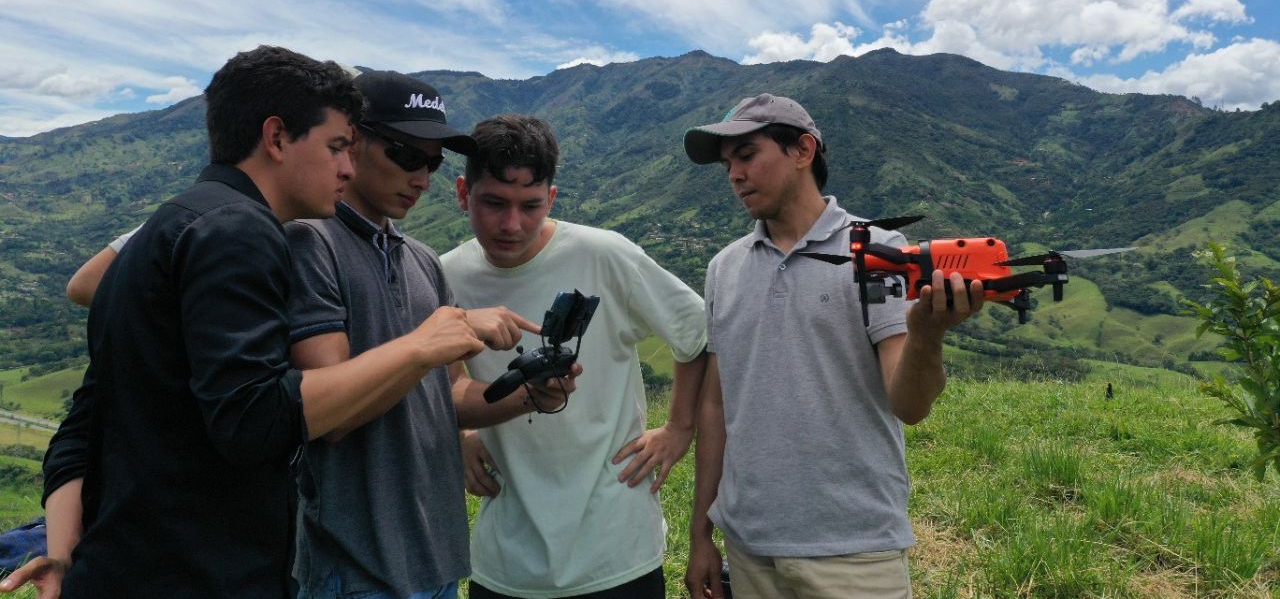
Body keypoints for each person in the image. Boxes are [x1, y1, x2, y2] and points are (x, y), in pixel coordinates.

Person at [1, 46, 486, 599]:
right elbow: (255, 420)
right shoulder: (241, 232)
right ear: (277, 138)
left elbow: (87, 418)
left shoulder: (171, 226)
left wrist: (63, 556)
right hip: (203, 574)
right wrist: (420, 348)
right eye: (335, 147)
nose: (346, 168)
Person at [681, 94, 986, 599]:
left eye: (748, 154)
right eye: (727, 162)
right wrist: (701, 535)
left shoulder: (878, 253)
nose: (734, 173)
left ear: (803, 150)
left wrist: (927, 336)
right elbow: (715, 407)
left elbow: (909, 405)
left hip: (855, 548)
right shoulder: (724, 269)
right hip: (748, 545)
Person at [286, 71, 553, 599]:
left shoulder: (421, 260)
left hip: (435, 556)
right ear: (352, 142)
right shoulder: (311, 242)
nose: (423, 178)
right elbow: (326, 415)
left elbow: (448, 395)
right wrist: (433, 339)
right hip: (354, 567)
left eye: (432, 162)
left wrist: (530, 394)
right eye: (408, 156)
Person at [440, 114, 708, 599]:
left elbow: (696, 331)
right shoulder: (446, 275)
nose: (511, 224)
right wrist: (462, 431)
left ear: (553, 199)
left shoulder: (605, 255)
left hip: (615, 551)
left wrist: (680, 427)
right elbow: (447, 380)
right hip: (506, 560)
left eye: (530, 206)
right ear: (463, 193)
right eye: (493, 203)